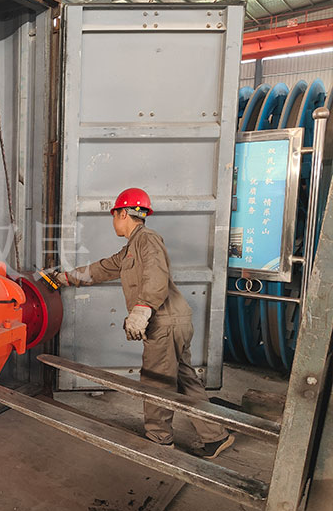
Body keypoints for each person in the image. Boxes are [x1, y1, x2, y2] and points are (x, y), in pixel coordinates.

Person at [56, 187, 235, 459]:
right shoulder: (131, 248)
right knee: (185, 381)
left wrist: (142, 309)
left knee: (156, 382)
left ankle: (158, 441)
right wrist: (66, 278)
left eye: (114, 215)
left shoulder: (147, 240)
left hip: (164, 322)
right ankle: (215, 436)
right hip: (174, 321)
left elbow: (155, 273)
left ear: (123, 213)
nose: (113, 221)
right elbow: (102, 268)